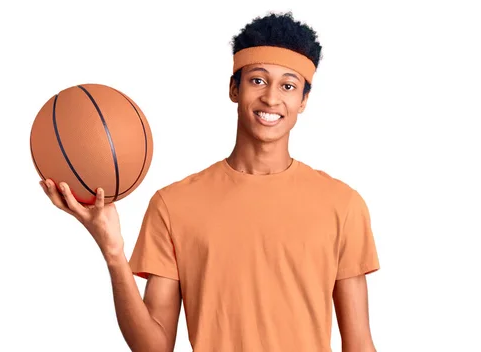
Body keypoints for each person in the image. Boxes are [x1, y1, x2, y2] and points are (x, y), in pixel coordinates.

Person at [40, 11, 380, 352]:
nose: (272, 98)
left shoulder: (342, 205)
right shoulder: (173, 205)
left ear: (303, 100)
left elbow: (360, 344)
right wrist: (112, 250)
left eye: (288, 86)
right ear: (234, 88)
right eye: (257, 80)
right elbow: (154, 347)